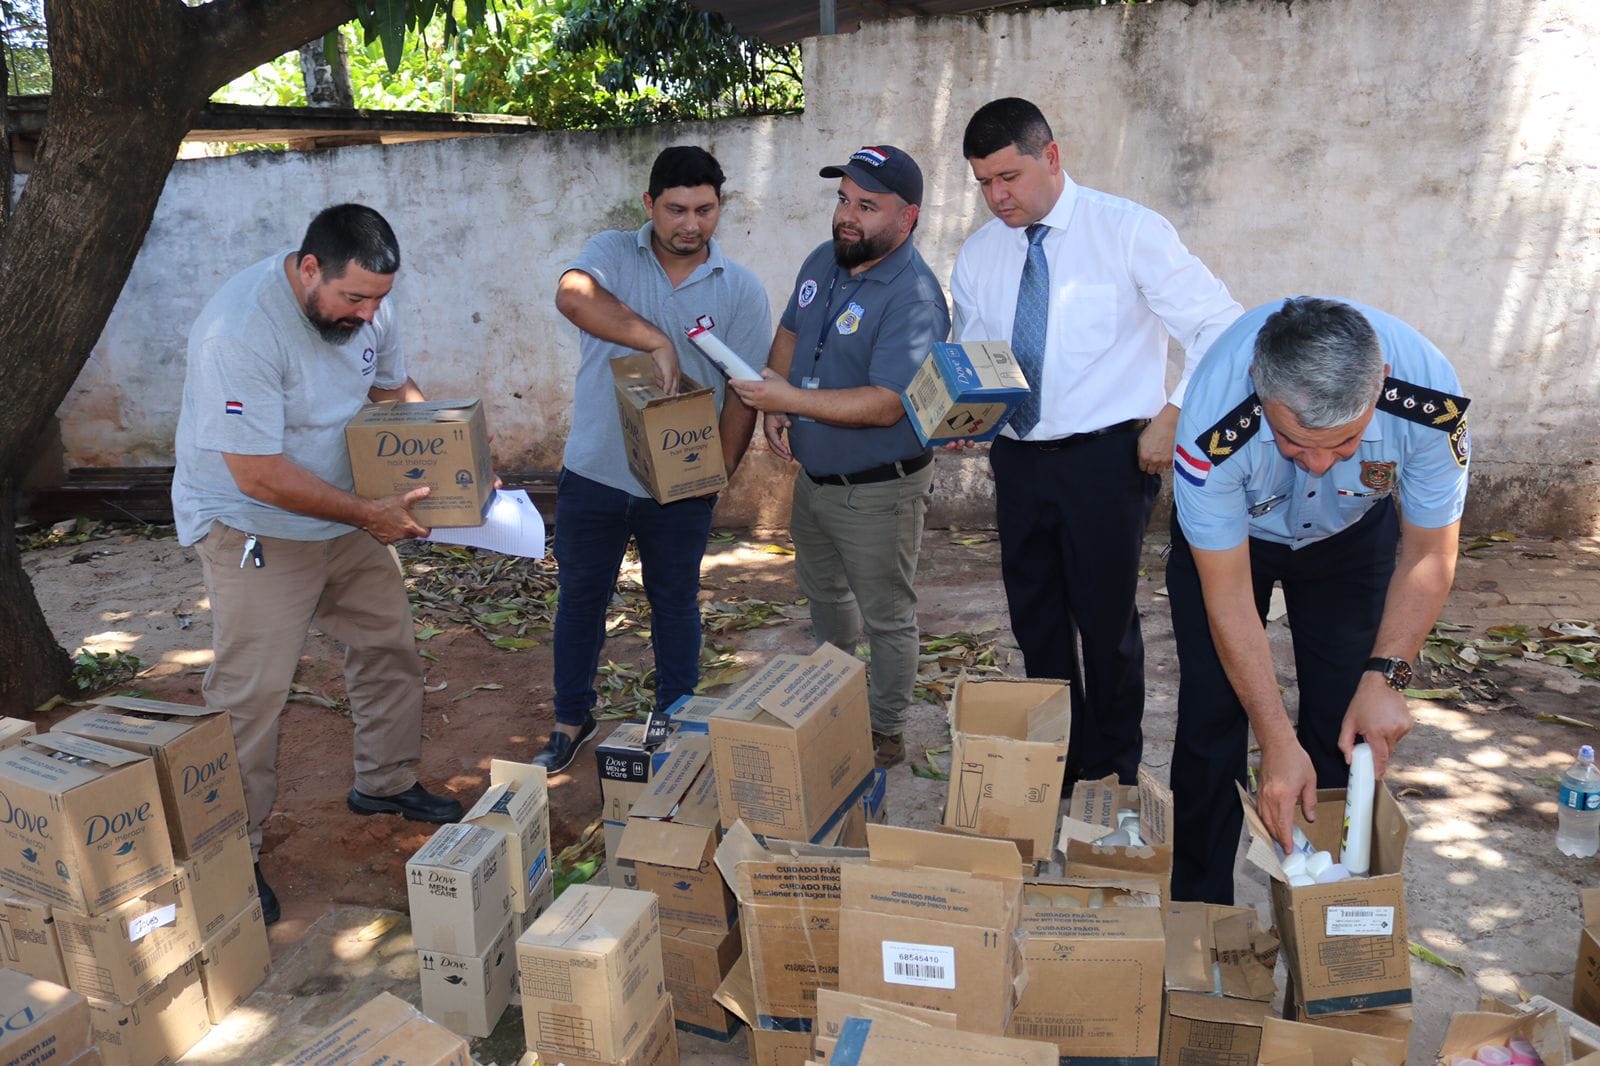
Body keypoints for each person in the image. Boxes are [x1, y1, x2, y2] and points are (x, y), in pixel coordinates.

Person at [172, 203, 466, 927]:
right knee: (251, 694)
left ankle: (386, 782)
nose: (367, 315)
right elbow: (258, 474)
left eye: (378, 300)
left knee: (386, 645)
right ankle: (231, 853)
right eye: (353, 298)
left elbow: (393, 392)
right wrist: (367, 513)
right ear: (310, 269)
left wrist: (448, 463)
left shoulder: (371, 308)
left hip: (347, 510)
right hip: (256, 524)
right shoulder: (238, 331)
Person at [950, 97, 1242, 785]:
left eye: (1010, 177)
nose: (998, 197)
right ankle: (1055, 764)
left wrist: (1173, 415)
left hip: (1107, 461)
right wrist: (963, 409)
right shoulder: (980, 252)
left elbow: (1220, 327)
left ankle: (1111, 772)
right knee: (1036, 624)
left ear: (1051, 157)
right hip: (1018, 459)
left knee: (1106, 627)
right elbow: (972, 346)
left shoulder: (1128, 231)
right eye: (984, 183)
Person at [1168, 296, 1471, 904]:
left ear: (1381, 385)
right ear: (1258, 386)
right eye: (1291, 440)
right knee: (1213, 714)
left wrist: (1388, 677)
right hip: (1237, 544)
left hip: (1349, 539)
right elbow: (1228, 598)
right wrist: (1276, 742)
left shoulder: (1431, 402)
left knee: (1346, 721)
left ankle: (1325, 909)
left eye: (1346, 443)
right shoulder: (1210, 423)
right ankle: (1197, 912)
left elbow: (1430, 554)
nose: (1316, 464)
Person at [542, 146, 771, 773]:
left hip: (681, 485)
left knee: (674, 601)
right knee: (581, 598)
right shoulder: (612, 254)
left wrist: (713, 479)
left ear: (720, 208)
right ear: (650, 205)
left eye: (704, 209)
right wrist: (653, 338)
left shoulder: (741, 290)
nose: (690, 224)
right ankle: (571, 718)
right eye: (675, 209)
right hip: (594, 471)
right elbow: (571, 295)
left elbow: (743, 395)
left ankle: (676, 714)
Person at [730, 145, 950, 769]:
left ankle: (883, 730)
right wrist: (777, 395)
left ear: (907, 218)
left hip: (880, 488)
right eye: (843, 199)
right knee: (824, 598)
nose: (847, 217)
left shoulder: (914, 297)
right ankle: (836, 699)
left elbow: (888, 404)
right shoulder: (825, 259)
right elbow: (794, 330)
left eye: (867, 206)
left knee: (886, 616)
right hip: (817, 481)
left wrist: (786, 396)